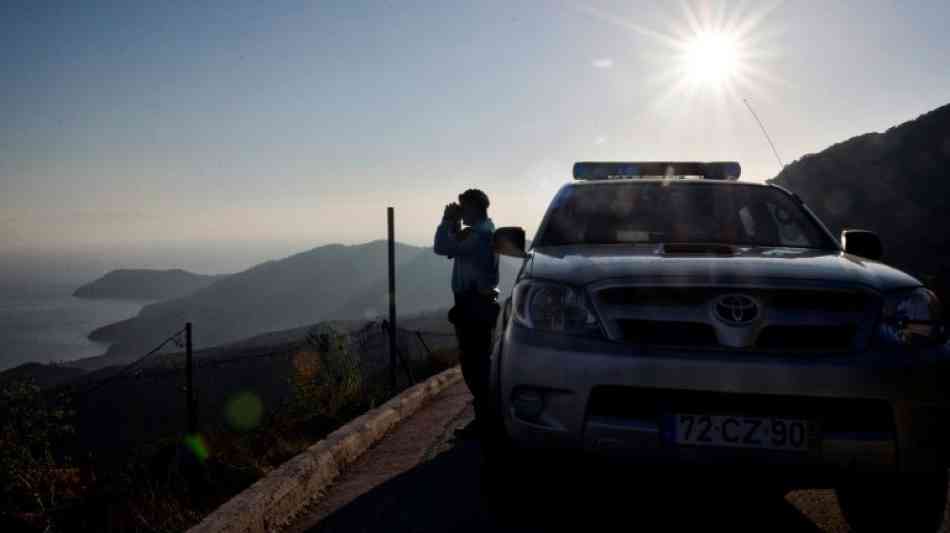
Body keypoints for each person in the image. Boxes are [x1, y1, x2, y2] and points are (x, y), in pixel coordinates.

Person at [433, 189, 500, 439]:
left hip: (474, 306)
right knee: (478, 362)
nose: (462, 211)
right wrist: (456, 226)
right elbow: (451, 247)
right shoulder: (483, 232)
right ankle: (486, 419)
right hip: (476, 305)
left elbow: (441, 247)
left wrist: (447, 220)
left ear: (474, 208)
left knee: (475, 365)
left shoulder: (478, 236)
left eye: (464, 207)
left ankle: (487, 422)